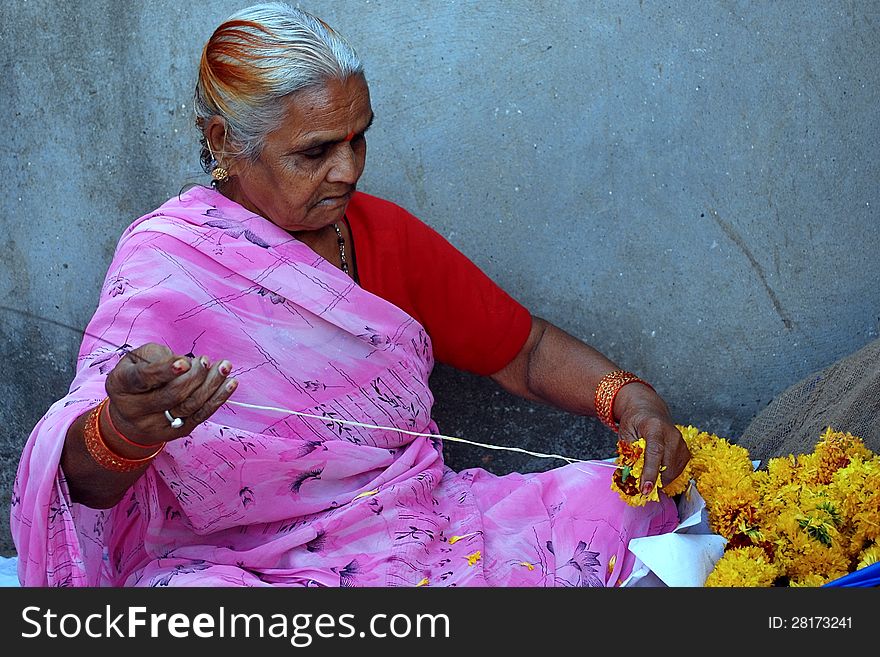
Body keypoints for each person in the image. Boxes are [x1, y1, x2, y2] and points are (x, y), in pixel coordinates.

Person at [11, 2, 690, 587]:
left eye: (358, 138)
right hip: (238, 564)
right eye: (314, 152)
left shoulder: (374, 233)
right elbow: (85, 485)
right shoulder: (166, 263)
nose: (348, 170)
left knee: (637, 504)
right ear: (225, 142)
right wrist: (126, 431)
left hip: (420, 527)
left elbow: (526, 350)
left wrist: (630, 400)